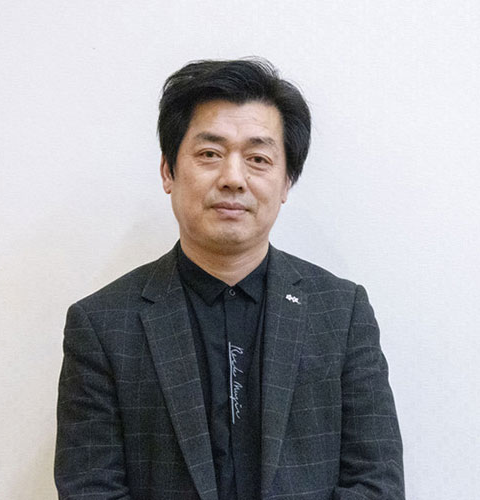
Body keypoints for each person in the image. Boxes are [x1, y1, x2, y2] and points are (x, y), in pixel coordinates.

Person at [55, 58, 405, 500]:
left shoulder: (342, 311)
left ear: (286, 182)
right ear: (168, 171)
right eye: (210, 154)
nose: (233, 178)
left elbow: (376, 483)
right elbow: (90, 489)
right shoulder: (102, 324)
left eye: (258, 159)